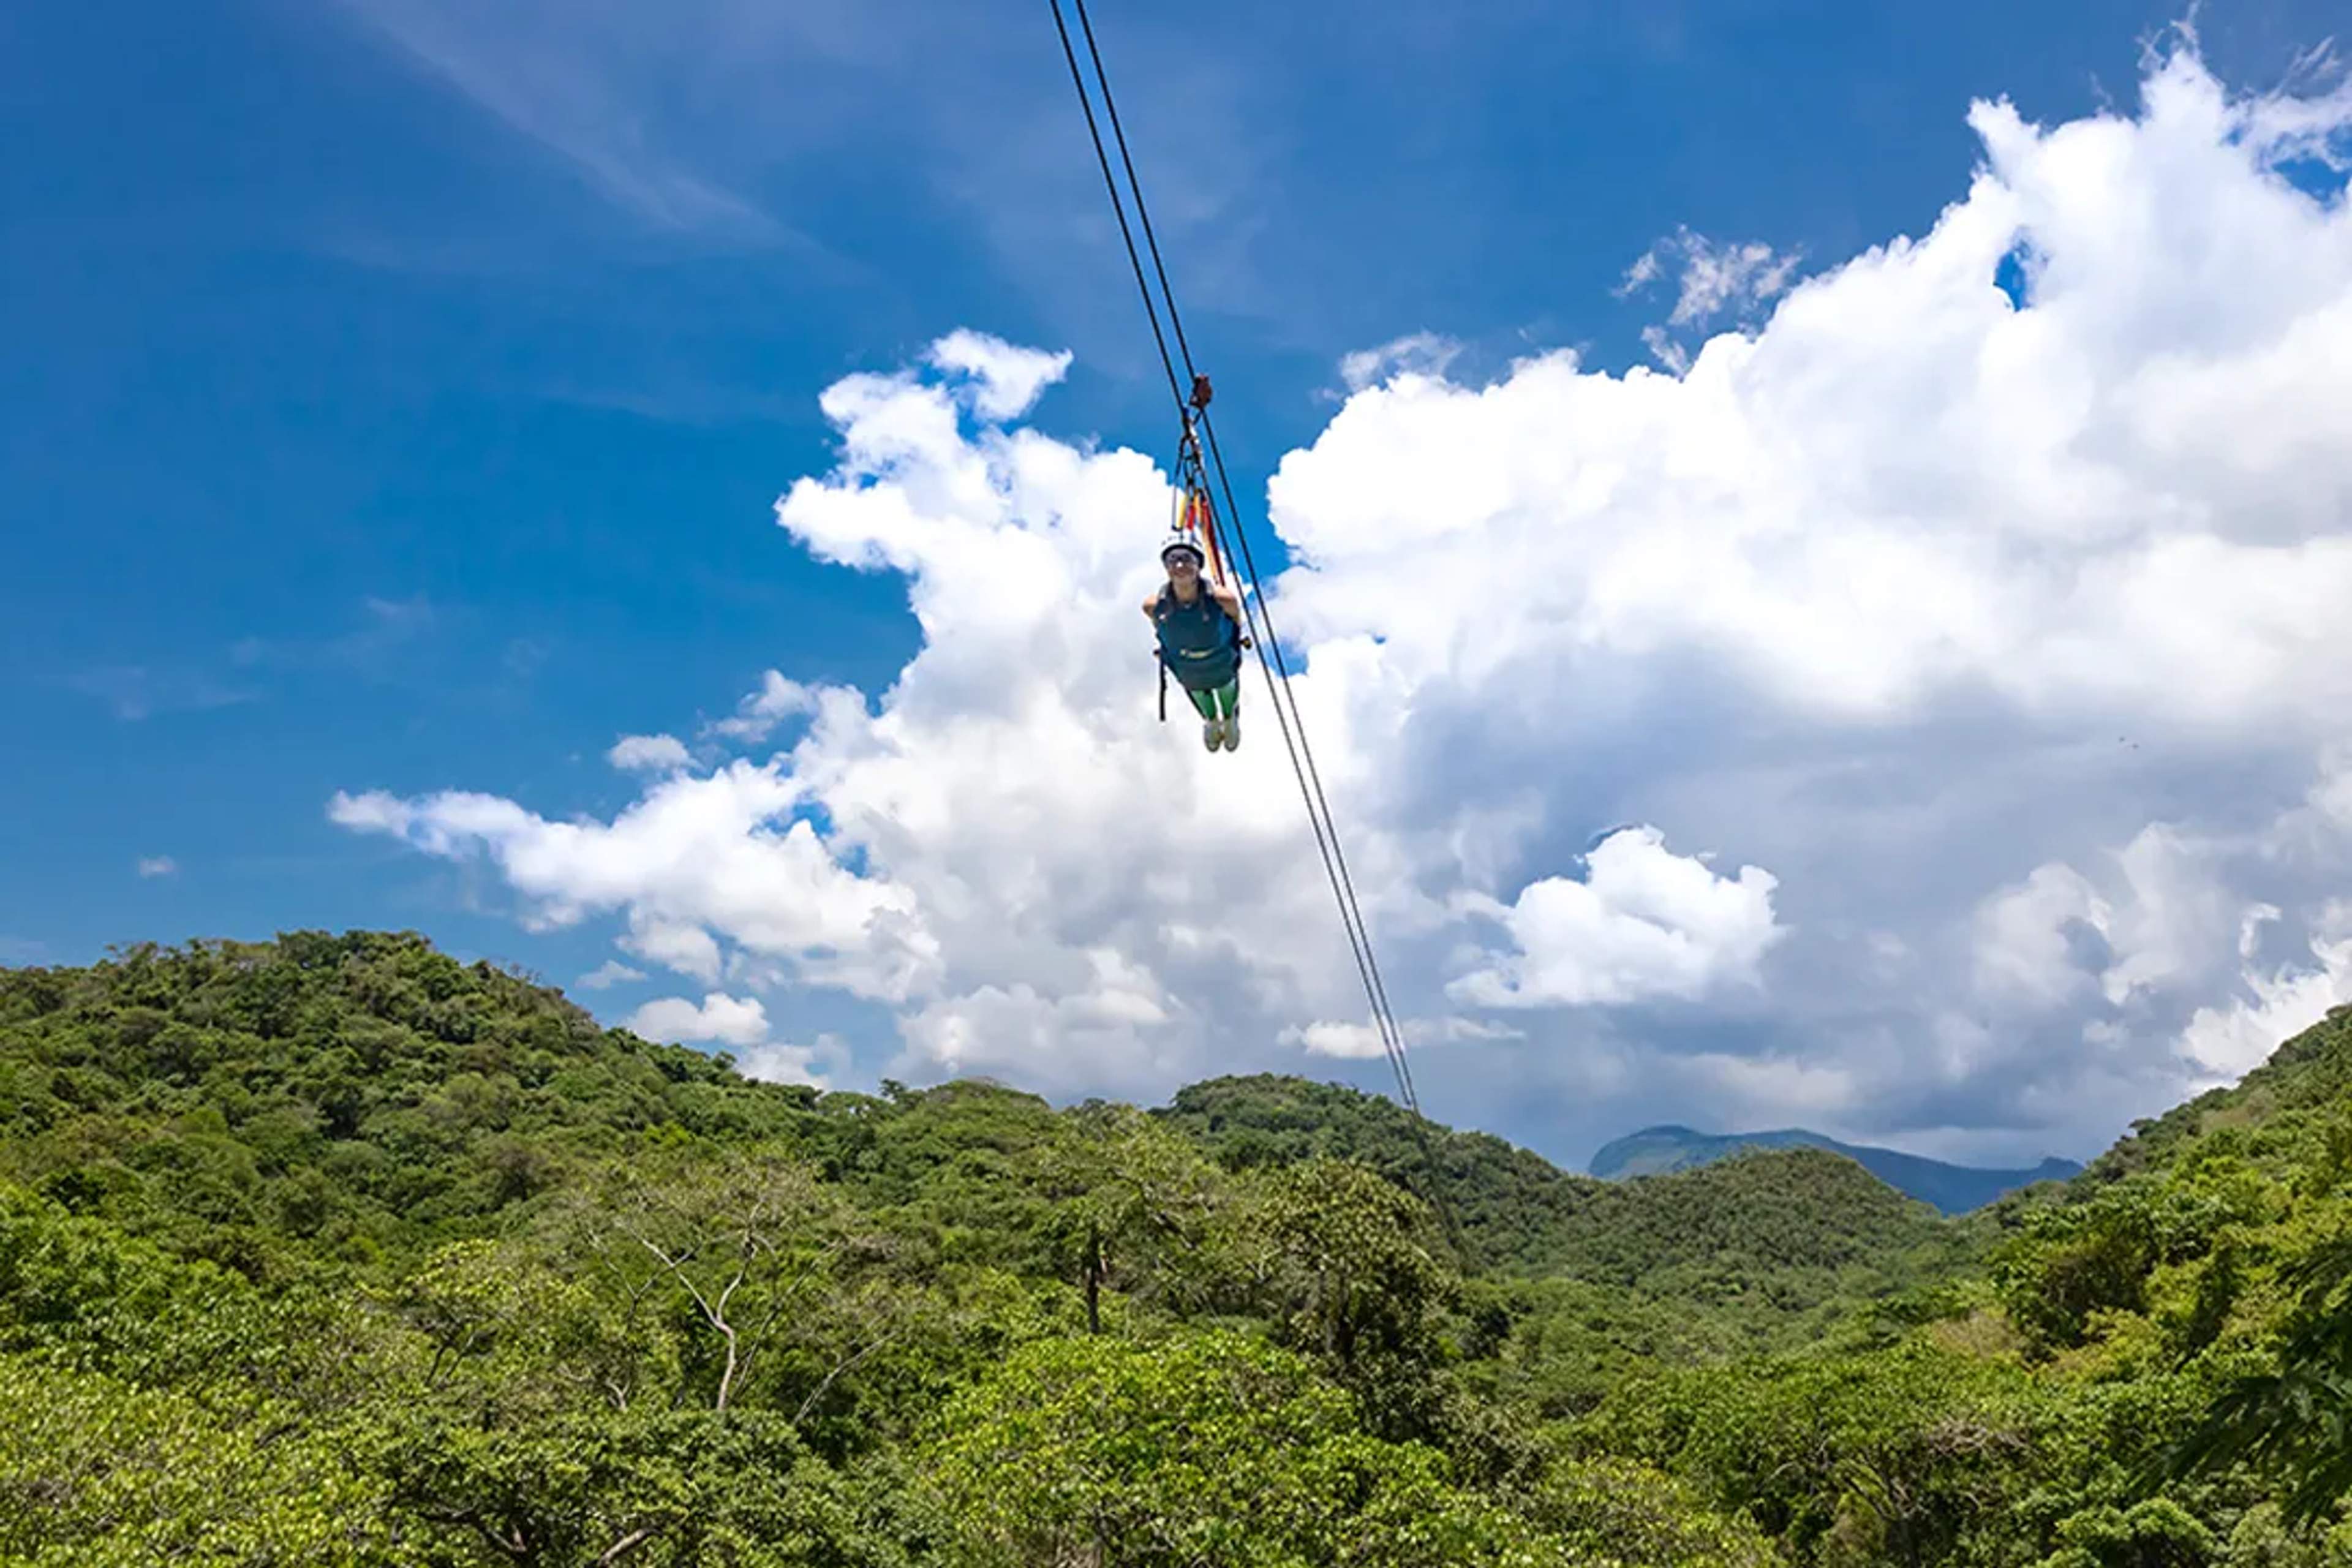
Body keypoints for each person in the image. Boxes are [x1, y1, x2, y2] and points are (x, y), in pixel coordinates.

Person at [1144, 534, 1243, 751]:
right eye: (1173, 560)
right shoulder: (1154, 605)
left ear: (1199, 565)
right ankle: (1211, 722)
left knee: (1225, 690)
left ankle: (1229, 719)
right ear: (1166, 567)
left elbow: (1236, 624)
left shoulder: (1222, 598)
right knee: (1199, 693)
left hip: (1220, 662)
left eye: (1187, 559)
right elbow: (1160, 628)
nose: (1180, 566)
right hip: (1188, 669)